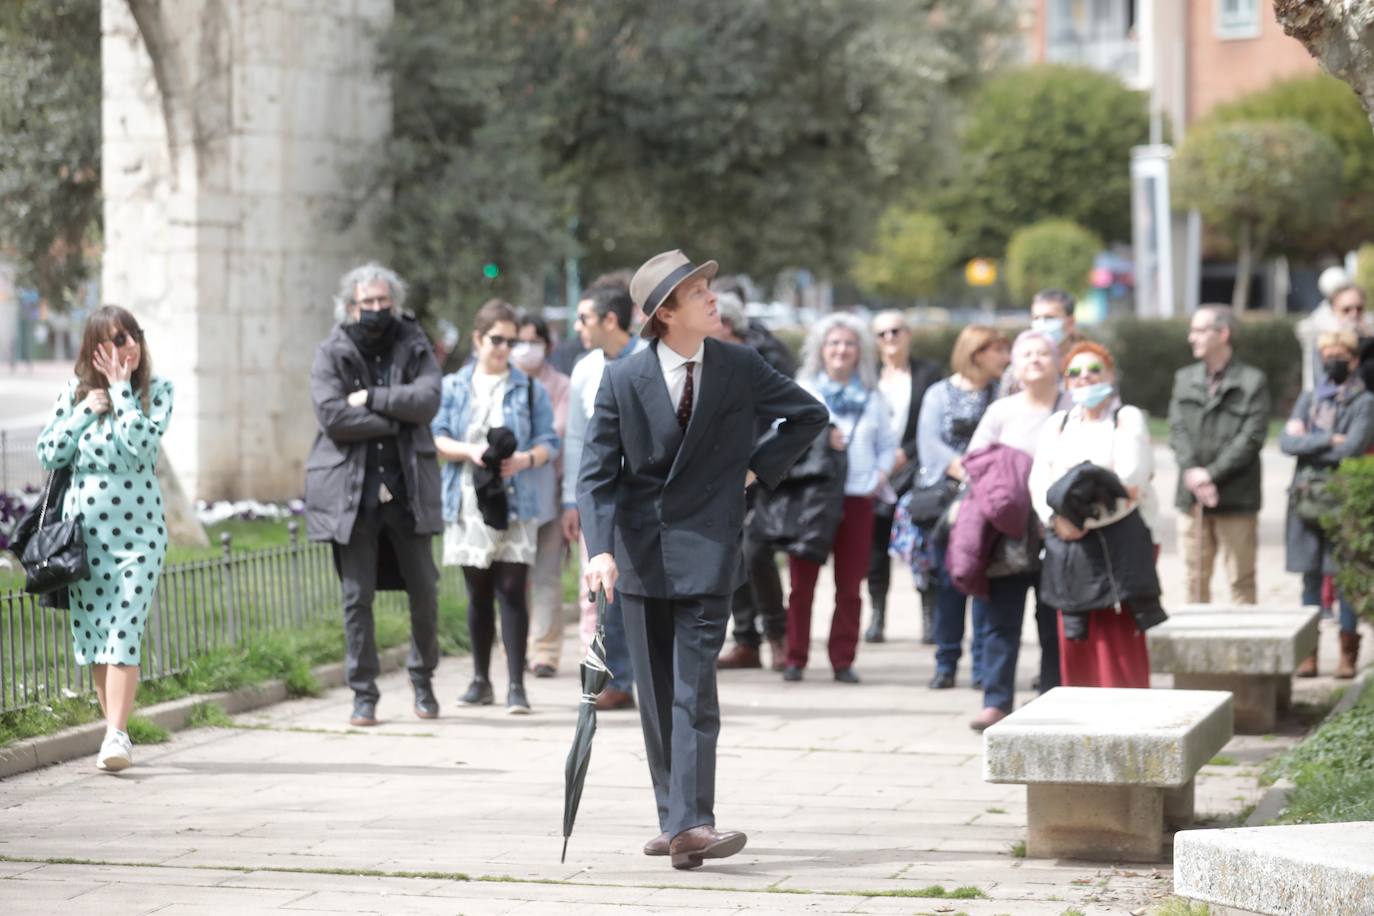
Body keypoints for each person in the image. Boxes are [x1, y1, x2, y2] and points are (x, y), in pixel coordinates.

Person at [579, 249, 826, 870]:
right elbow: (596, 478)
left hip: (710, 548)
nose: (713, 298)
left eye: (709, 288)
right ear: (665, 312)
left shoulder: (740, 366)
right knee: (656, 695)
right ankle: (675, 822)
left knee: (694, 687)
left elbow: (807, 415)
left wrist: (751, 469)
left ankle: (693, 822)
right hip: (636, 556)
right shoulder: (621, 379)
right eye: (698, 292)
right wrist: (600, 550)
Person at [36, 306, 173, 772]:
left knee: (123, 631)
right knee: (96, 639)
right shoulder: (72, 395)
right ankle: (115, 732)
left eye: (132, 335)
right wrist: (81, 414)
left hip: (140, 537)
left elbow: (142, 445)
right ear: (95, 350)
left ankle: (116, 736)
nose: (127, 346)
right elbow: (49, 452)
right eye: (115, 340)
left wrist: (120, 393)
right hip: (84, 539)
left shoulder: (157, 393)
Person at [307, 263, 442, 728]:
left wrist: (371, 399)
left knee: (425, 591)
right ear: (351, 306)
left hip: (408, 491)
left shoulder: (414, 341)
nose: (377, 310)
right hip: (352, 493)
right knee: (355, 598)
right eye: (368, 303)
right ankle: (363, 694)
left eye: (384, 301)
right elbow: (332, 416)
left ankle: (423, 681)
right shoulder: (332, 350)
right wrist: (396, 417)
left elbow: (427, 401)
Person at [432, 300, 559, 713]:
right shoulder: (454, 386)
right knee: (478, 592)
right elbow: (436, 437)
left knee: (512, 590)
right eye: (497, 340)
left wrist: (523, 460)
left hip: (515, 497)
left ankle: (517, 685)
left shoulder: (527, 387)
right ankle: (480, 679)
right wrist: (470, 451)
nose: (504, 348)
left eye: (512, 341)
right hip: (469, 499)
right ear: (477, 339)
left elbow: (548, 442)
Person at [1029, 341, 1162, 688]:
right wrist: (1055, 519)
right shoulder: (1057, 424)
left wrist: (1079, 516)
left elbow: (1131, 479)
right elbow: (1040, 480)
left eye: (1093, 370)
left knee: (1120, 641)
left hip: (1121, 542)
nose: (1084, 378)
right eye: (1074, 373)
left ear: (1111, 376)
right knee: (1077, 639)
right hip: (1068, 546)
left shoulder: (1126, 418)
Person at [957, 330, 1070, 728]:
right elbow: (973, 461)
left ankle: (1053, 698)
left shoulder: (1073, 407)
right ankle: (996, 700)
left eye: (1043, 353)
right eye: (1027, 355)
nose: (1035, 360)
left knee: (1053, 620)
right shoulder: (1001, 411)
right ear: (1015, 365)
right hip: (1007, 532)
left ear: (1058, 362)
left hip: (1060, 529)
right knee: (1000, 621)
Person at [779, 314, 896, 683]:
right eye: (833, 343)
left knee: (850, 586)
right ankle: (794, 656)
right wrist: (819, 439)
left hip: (857, 497)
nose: (841, 350)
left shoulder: (874, 396)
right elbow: (780, 437)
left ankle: (843, 659)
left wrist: (879, 474)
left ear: (859, 351)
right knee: (802, 585)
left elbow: (888, 445)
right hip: (812, 498)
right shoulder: (804, 390)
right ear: (821, 350)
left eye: (848, 343)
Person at [562, 277, 647, 710]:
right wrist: (571, 499)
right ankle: (613, 680)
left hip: (644, 498)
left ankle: (644, 678)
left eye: (584, 318)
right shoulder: (585, 368)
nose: (578, 327)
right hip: (600, 498)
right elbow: (577, 439)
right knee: (601, 589)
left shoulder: (651, 360)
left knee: (638, 590)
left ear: (610, 320)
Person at [918, 325, 1009, 689]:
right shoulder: (939, 393)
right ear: (976, 352)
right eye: (998, 350)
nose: (1005, 358)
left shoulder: (1002, 395)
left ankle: (984, 666)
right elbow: (930, 444)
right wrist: (966, 469)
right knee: (949, 584)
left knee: (986, 584)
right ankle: (946, 661)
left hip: (989, 500)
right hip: (948, 501)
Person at [1281, 329, 1374, 678]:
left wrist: (1310, 440)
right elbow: (1287, 443)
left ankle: (1347, 655)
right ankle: (1309, 653)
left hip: (1340, 499)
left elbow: (1351, 448)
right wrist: (1326, 439)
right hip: (1306, 500)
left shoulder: (1364, 402)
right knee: (1310, 578)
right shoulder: (1310, 398)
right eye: (1327, 355)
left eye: (1339, 356)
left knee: (1343, 577)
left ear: (1353, 360)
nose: (1332, 362)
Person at [1167, 305, 1269, 604]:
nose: (1191, 337)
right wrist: (1194, 475)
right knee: (1193, 582)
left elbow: (1251, 437)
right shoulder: (1184, 378)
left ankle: (1244, 649)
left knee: (1241, 582)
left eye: (1199, 330)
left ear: (1223, 334)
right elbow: (1177, 432)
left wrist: (1211, 474)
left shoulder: (1252, 381)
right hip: (1192, 500)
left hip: (1236, 498)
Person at [713, 291, 792, 671]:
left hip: (763, 477)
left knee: (756, 554)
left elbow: (789, 419)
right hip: (722, 477)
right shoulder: (709, 361)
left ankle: (778, 634)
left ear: (725, 326)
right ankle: (746, 640)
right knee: (730, 556)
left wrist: (758, 465)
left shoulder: (763, 359)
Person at [866, 310, 941, 644]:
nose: (890, 339)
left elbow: (932, 421)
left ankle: (929, 618)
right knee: (875, 547)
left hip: (915, 472)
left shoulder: (927, 373)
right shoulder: (869, 377)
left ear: (908, 334)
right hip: (876, 474)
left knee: (921, 545)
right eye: (882, 334)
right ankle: (878, 616)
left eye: (896, 331)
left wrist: (905, 453)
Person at [514, 312, 572, 678]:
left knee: (547, 575)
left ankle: (545, 653)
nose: (526, 349)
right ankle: (515, 644)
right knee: (512, 577)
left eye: (534, 341)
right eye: (519, 340)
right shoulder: (505, 383)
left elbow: (558, 433)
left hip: (550, 492)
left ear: (547, 347)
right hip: (510, 495)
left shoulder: (562, 386)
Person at [998, 289, 1085, 397]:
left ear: (1070, 322)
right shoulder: (1020, 366)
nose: (1041, 323)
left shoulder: (1088, 363)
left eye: (1049, 318)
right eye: (1036, 318)